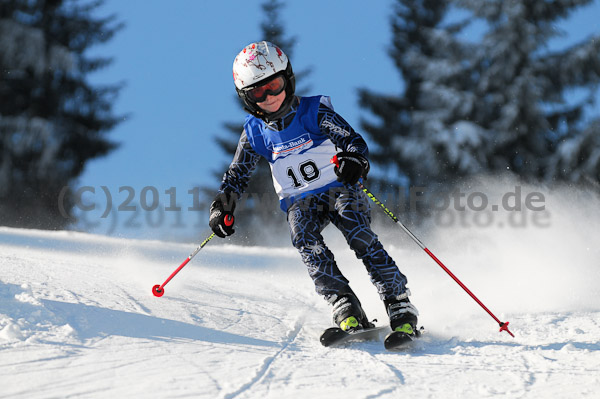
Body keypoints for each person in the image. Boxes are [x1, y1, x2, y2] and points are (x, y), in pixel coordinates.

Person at [209, 41, 418, 335]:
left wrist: (355, 160)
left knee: (357, 232)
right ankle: (343, 301)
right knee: (304, 236)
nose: (269, 97)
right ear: (246, 98)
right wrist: (223, 204)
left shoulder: (314, 111)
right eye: (258, 92)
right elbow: (238, 174)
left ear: (288, 79)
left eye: (275, 85)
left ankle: (397, 299)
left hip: (339, 188)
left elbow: (353, 141)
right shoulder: (254, 132)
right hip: (300, 200)